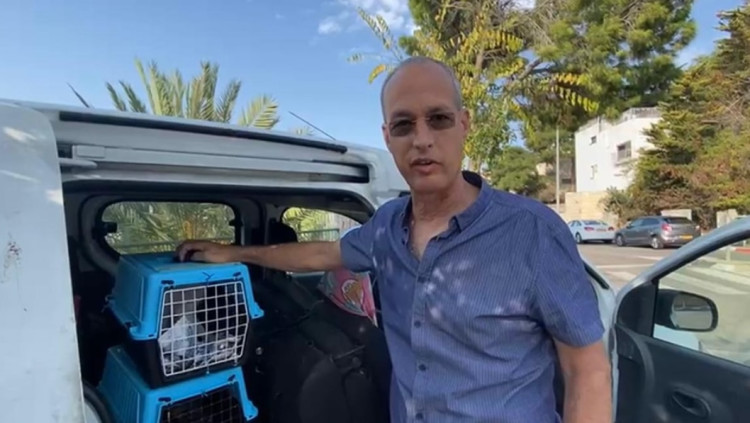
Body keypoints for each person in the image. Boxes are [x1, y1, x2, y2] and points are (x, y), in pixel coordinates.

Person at [177, 56, 612, 423]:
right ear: (388, 137)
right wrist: (236, 253)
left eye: (438, 119)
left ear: (464, 124)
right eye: (404, 125)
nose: (422, 139)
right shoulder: (387, 226)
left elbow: (587, 373)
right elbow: (322, 253)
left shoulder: (532, 232)